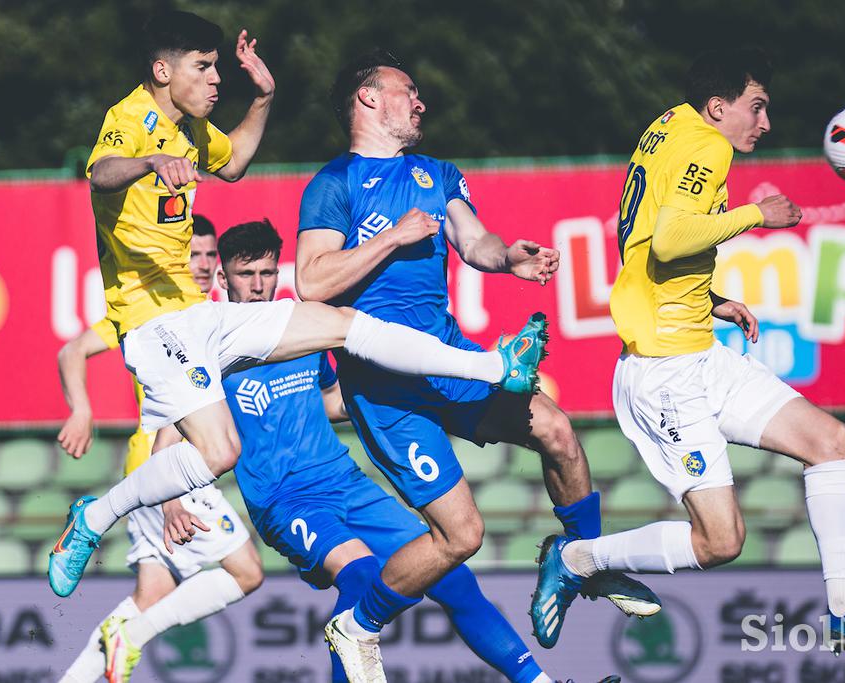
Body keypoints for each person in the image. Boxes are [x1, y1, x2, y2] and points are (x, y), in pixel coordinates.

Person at [48, 14, 548, 600]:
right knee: (220, 451)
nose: (215, 80)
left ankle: (495, 367)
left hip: (201, 312)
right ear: (163, 70)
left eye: (216, 67)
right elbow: (101, 173)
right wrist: (149, 163)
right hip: (152, 323)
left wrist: (263, 98)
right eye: (202, 67)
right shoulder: (130, 118)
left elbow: (232, 163)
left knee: (339, 324)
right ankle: (93, 517)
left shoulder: (189, 130)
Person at [530, 47, 845, 654]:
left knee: (830, 442)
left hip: (698, 348)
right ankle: (578, 557)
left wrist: (709, 297)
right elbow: (667, 241)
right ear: (718, 107)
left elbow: (639, 232)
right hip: (665, 374)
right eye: (757, 106)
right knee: (719, 542)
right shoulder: (709, 146)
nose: (764, 123)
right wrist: (756, 214)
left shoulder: (669, 124)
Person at [295, 50, 659, 678]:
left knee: (559, 432)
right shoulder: (334, 185)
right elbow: (310, 281)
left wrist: (504, 257)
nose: (421, 101)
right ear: (369, 99)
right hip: (385, 390)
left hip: (451, 360)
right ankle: (356, 626)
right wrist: (388, 240)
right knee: (462, 537)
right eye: (408, 90)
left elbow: (472, 238)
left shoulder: (439, 173)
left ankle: (579, 559)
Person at [184, 219, 591, 683]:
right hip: (285, 501)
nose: (258, 286)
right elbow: (178, 426)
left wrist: (413, 399)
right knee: (360, 580)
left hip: (345, 482)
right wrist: (174, 499)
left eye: (267, 273)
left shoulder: (301, 331)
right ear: (222, 278)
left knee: (453, 577)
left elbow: (334, 400)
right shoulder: (209, 347)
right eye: (245, 275)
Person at [56, 219, 262, 683]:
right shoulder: (149, 313)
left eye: (211, 255)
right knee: (247, 571)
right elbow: (71, 352)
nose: (205, 265)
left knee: (149, 599)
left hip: (163, 467)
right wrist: (82, 410)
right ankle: (127, 641)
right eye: (195, 255)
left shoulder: (205, 314)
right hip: (164, 466)